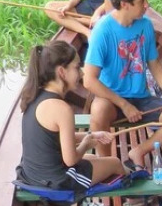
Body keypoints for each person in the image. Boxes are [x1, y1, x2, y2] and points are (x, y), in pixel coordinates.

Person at [82, 0, 162, 156]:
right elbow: (89, 80)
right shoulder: (103, 30)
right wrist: (124, 105)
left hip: (141, 98)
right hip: (112, 100)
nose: (147, 5)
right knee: (98, 109)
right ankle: (107, 163)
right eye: (142, 1)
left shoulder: (146, 25)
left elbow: (154, 64)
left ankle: (139, 151)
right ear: (125, 4)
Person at [17, 40, 123, 194]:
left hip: (32, 175)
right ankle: (134, 201)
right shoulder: (62, 109)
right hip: (55, 181)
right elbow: (71, 160)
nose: (81, 72)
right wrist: (86, 143)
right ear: (61, 72)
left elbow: (55, 137)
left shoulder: (35, 95)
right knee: (115, 163)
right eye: (76, 67)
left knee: (93, 159)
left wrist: (91, 135)